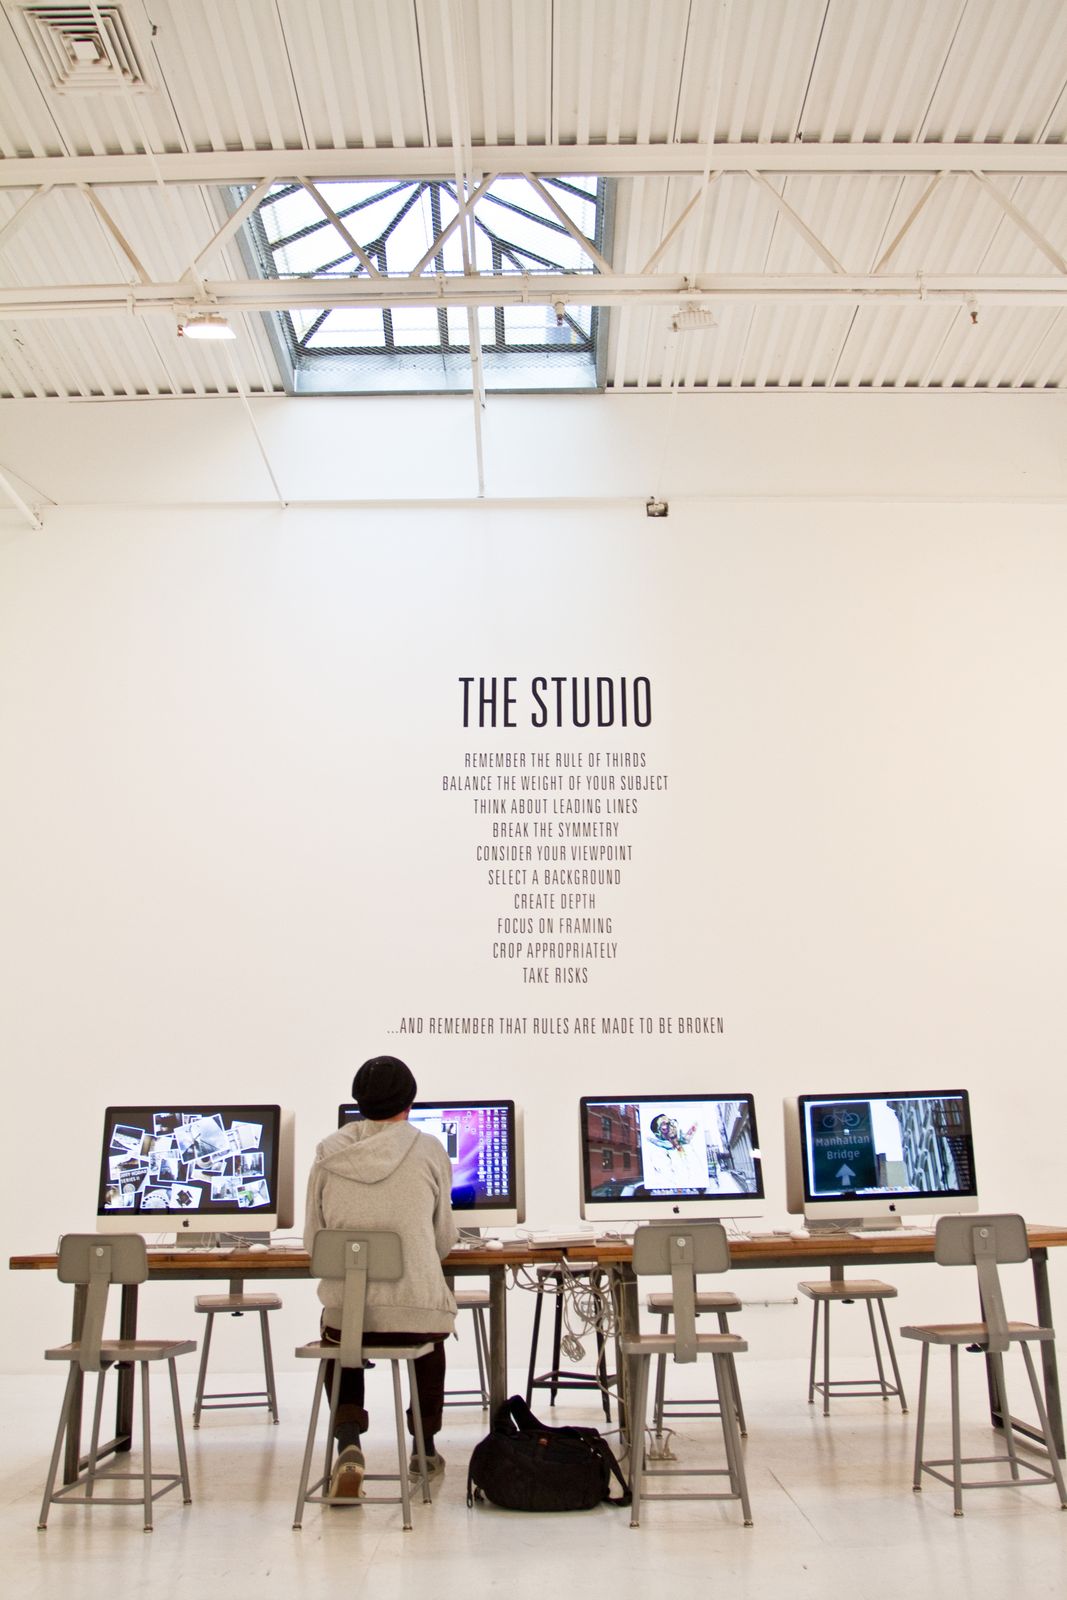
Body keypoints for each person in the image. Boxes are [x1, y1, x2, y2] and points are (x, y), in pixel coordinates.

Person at [304, 1054, 458, 1500]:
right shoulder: (430, 1149)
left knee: (340, 1333)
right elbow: (442, 1241)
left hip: (350, 1316)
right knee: (430, 1335)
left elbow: (315, 1244)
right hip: (415, 1315)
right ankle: (424, 1449)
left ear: (359, 1103)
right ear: (410, 1102)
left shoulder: (328, 1153)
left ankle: (348, 1443)